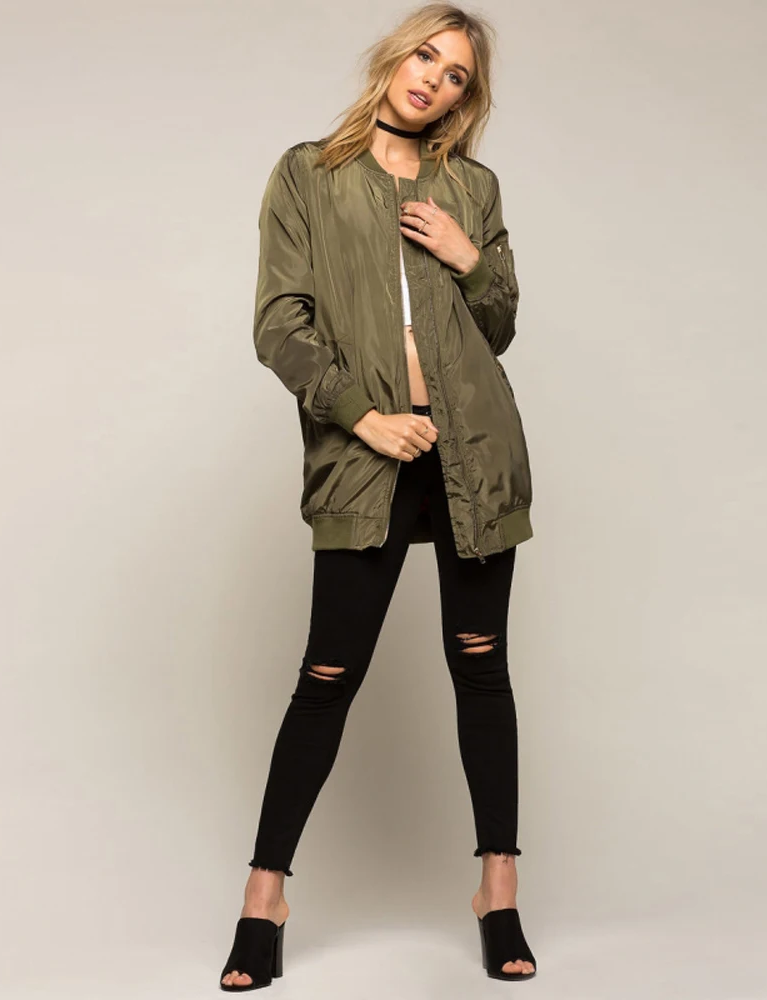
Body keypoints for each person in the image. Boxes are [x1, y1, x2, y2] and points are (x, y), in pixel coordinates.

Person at [220, 3, 537, 990]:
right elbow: (279, 324)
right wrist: (364, 416)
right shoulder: (309, 173)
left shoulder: (471, 187)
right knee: (327, 675)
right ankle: (264, 898)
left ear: (463, 99)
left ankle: (497, 889)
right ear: (395, 57)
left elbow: (500, 324)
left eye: (455, 75)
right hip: (367, 453)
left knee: (480, 667)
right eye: (425, 56)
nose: (432, 79)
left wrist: (467, 255)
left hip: (473, 450)